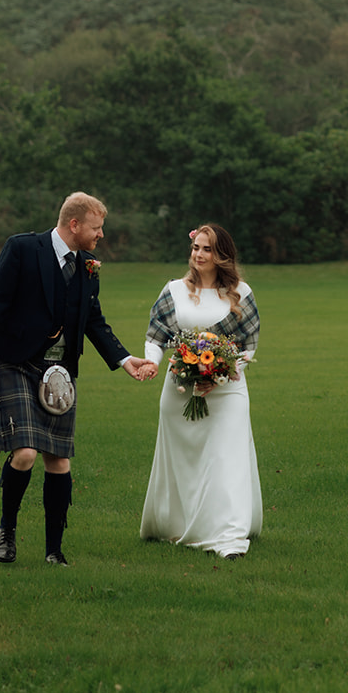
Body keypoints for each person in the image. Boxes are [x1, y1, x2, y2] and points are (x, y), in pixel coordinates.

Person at [0, 191, 153, 565]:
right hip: (18, 363)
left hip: (60, 373)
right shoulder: (22, 248)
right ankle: (7, 531)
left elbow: (94, 321)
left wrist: (123, 359)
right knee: (24, 452)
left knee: (58, 460)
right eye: (96, 227)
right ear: (74, 224)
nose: (100, 234)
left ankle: (54, 549)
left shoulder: (88, 265)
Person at [139, 224, 262, 559]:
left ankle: (230, 538)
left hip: (228, 393)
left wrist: (222, 373)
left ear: (221, 255)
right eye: (196, 248)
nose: (199, 255)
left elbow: (248, 346)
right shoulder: (174, 290)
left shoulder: (242, 293)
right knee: (186, 462)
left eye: (207, 249)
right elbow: (156, 337)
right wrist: (152, 363)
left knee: (226, 458)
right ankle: (177, 523)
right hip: (179, 389)